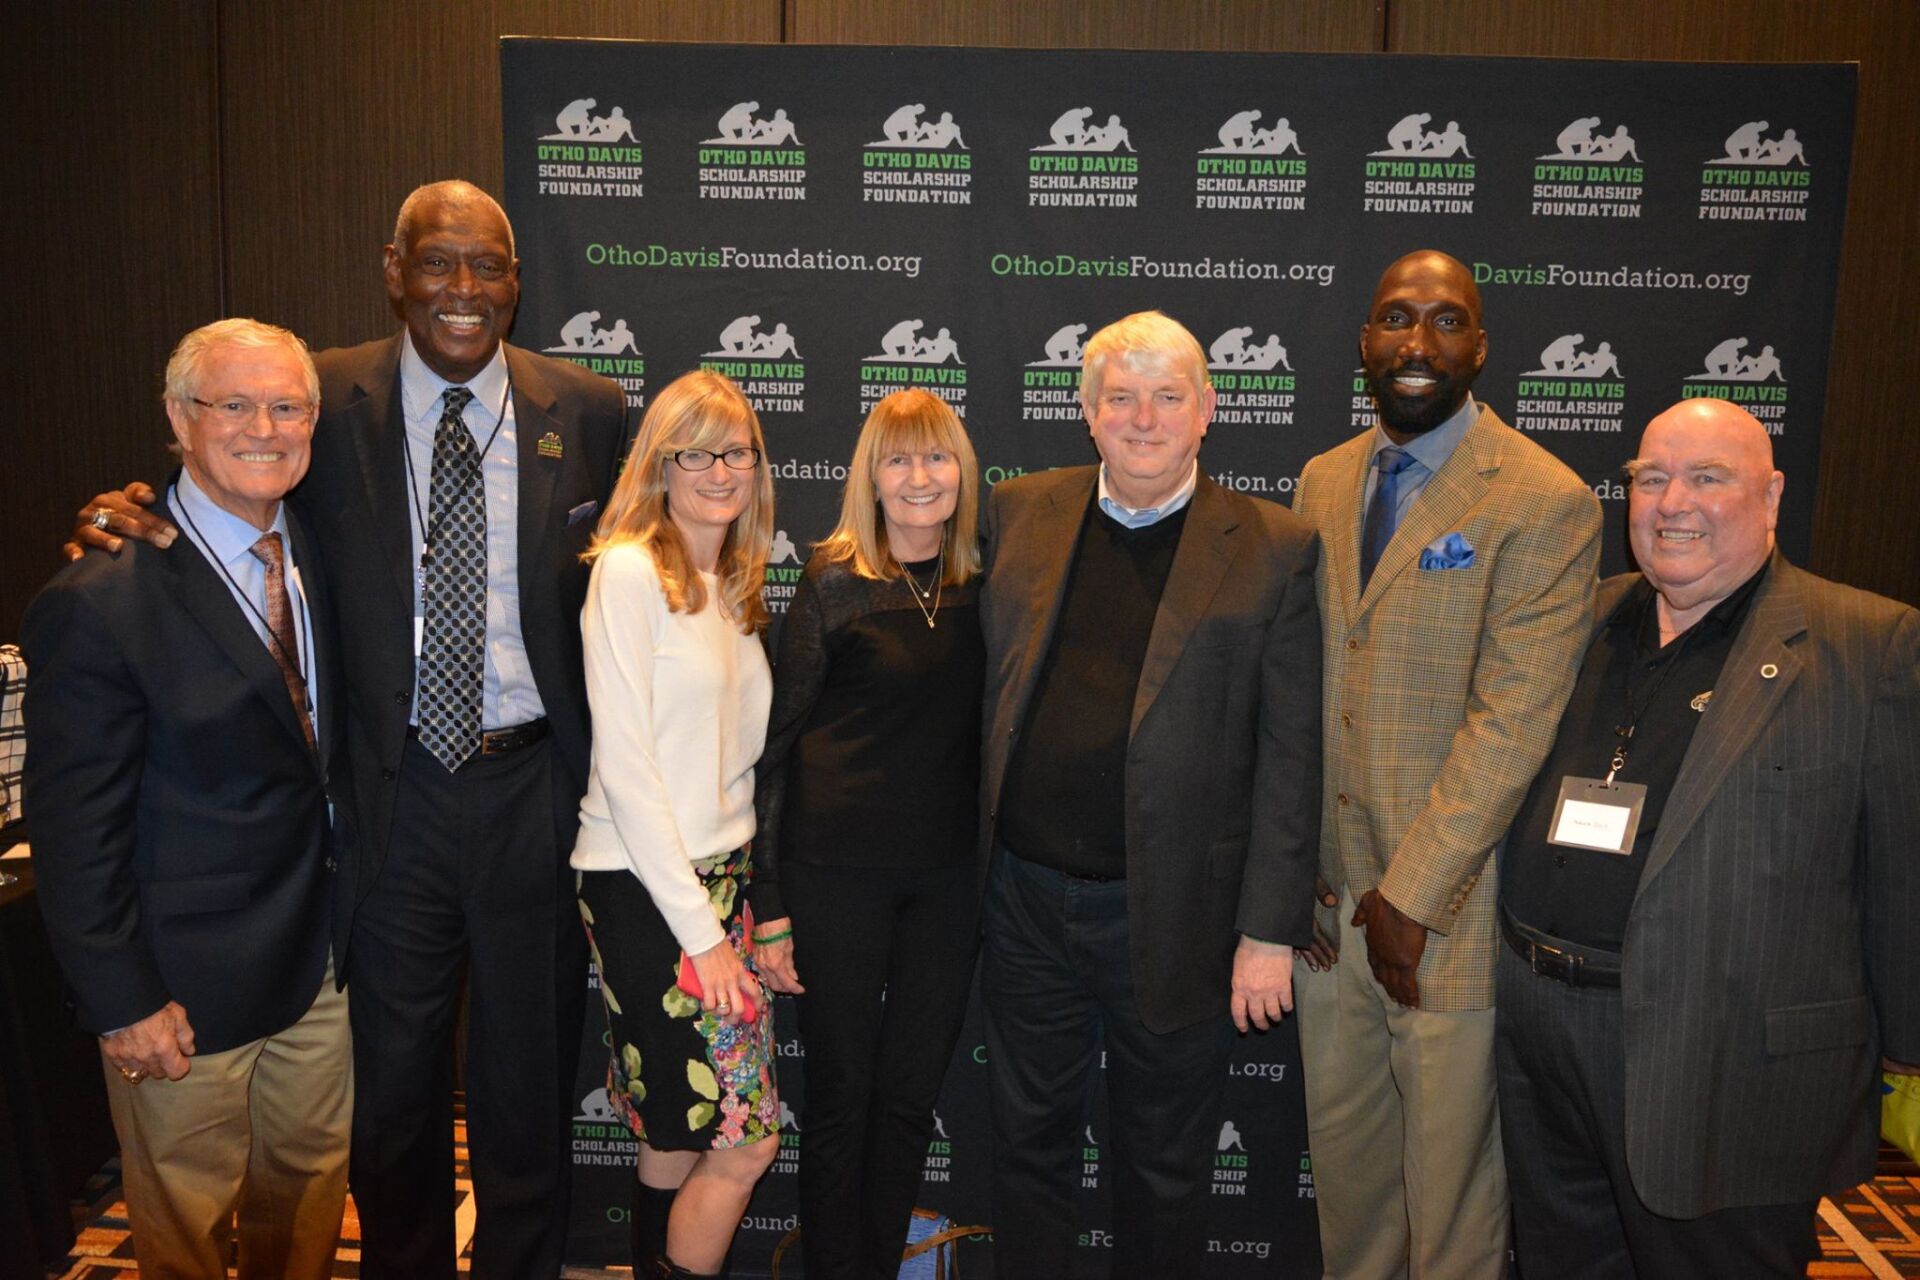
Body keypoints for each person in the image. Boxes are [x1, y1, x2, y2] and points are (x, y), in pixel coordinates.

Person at [66, 180, 629, 1280]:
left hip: (535, 794)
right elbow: (221, 480)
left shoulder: (590, 408)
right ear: (393, 270)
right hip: (386, 796)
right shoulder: (314, 395)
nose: (463, 289)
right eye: (438, 262)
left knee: (529, 1081)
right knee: (390, 1091)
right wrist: (114, 512)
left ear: (518, 283)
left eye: (488, 266)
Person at [1496, 398, 1920, 1278]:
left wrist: (1909, 1053)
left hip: (1724, 1066)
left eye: (1708, 478)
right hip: (1543, 1038)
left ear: (1771, 496)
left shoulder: (1868, 646)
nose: (1672, 503)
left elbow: (1904, 877)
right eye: (1651, 478)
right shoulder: (1582, 620)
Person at [978, 310, 1322, 1277]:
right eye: (1120, 398)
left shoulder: (1276, 546)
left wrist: (1270, 930)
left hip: (1178, 917)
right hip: (1024, 904)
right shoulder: (1019, 512)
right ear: (1086, 412)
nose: (1143, 419)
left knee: (1166, 1170)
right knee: (1026, 1151)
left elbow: (1292, 756)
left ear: (1206, 409)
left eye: (1168, 397)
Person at [1291, 249, 1602, 1280]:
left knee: (1454, 1218)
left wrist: (1412, 897)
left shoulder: (1544, 498)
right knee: (1353, 1203)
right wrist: (1302, 871)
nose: (1417, 342)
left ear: (1481, 345)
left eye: (1445, 320)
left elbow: (1512, 721)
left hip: (1448, 920)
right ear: (1364, 341)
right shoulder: (1323, 480)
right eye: (1395, 318)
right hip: (1328, 917)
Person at [26, 319, 355, 1278]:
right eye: (234, 404)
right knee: (186, 1227)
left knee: (308, 1201)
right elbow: (73, 830)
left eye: (287, 406)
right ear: (179, 418)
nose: (265, 428)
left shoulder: (328, 549)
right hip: (183, 991)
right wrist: (123, 999)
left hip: (321, 968)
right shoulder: (100, 597)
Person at [755, 389, 985, 1279]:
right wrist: (770, 902)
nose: (920, 477)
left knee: (907, 1101)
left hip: (947, 885)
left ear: (962, 470)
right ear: (871, 478)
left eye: (936, 456)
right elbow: (775, 749)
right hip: (834, 879)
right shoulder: (833, 582)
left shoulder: (986, 581)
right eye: (899, 459)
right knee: (842, 1099)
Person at [571, 370, 788, 1280]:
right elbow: (628, 768)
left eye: (736, 451)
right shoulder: (629, 572)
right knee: (746, 1138)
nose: (719, 470)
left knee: (673, 1128)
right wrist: (701, 934)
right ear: (659, 464)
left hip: (717, 880)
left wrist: (737, 908)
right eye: (694, 453)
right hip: (648, 886)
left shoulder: (731, 583)